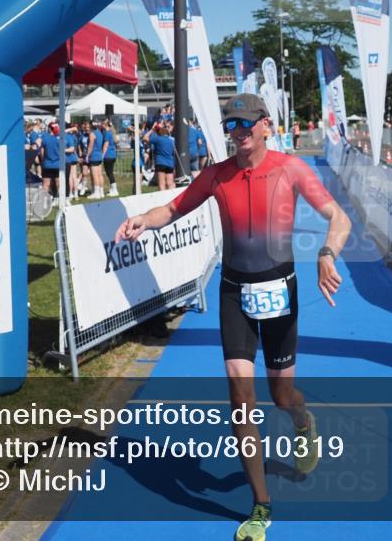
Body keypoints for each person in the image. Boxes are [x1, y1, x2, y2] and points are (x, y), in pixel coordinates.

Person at [115, 93, 351, 541]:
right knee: (241, 398)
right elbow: (173, 208)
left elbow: (338, 218)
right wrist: (144, 219)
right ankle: (261, 505)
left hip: (280, 292)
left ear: (265, 125)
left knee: (282, 396)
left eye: (246, 124)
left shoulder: (290, 168)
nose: (238, 133)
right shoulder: (216, 175)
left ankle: (304, 422)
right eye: (231, 126)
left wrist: (326, 253)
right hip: (234, 293)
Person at [145, 120, 176, 191]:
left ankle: (163, 197)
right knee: (170, 183)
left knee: (162, 184)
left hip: (160, 163)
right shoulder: (172, 140)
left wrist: (152, 129)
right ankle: (172, 197)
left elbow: (145, 138)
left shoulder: (158, 138)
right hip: (170, 163)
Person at [86, 120, 106, 199]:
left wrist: (87, 155)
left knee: (95, 175)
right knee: (100, 175)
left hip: (94, 156)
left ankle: (96, 193)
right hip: (99, 155)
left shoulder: (92, 134)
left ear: (91, 125)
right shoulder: (100, 133)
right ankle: (101, 192)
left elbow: (90, 146)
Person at [102, 120, 119, 197]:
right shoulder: (111, 133)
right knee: (110, 173)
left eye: (103, 124)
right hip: (112, 155)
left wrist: (102, 155)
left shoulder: (107, 133)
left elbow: (106, 145)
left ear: (105, 125)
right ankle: (113, 188)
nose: (101, 125)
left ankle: (114, 190)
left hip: (108, 155)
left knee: (109, 173)